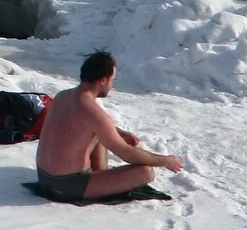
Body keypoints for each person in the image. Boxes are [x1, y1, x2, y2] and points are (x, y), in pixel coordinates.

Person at [33, 51, 183, 201]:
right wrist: (165, 160)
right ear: (103, 80)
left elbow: (79, 125)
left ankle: (101, 176)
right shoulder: (90, 109)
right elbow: (126, 154)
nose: (112, 85)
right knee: (145, 172)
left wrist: (120, 133)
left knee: (99, 135)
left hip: (44, 178)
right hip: (67, 186)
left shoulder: (62, 96)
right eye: (112, 80)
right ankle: (101, 182)